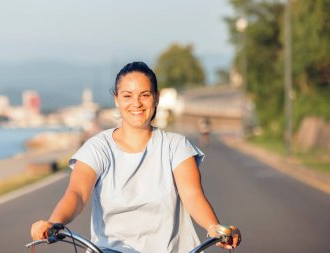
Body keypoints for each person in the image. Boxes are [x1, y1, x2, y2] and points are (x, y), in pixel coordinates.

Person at [31, 61, 241, 252]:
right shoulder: (97, 148)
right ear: (116, 99)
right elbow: (77, 193)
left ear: (156, 98)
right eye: (127, 95)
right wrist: (53, 223)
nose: (137, 103)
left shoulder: (176, 146)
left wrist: (214, 228)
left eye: (145, 94)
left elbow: (193, 196)